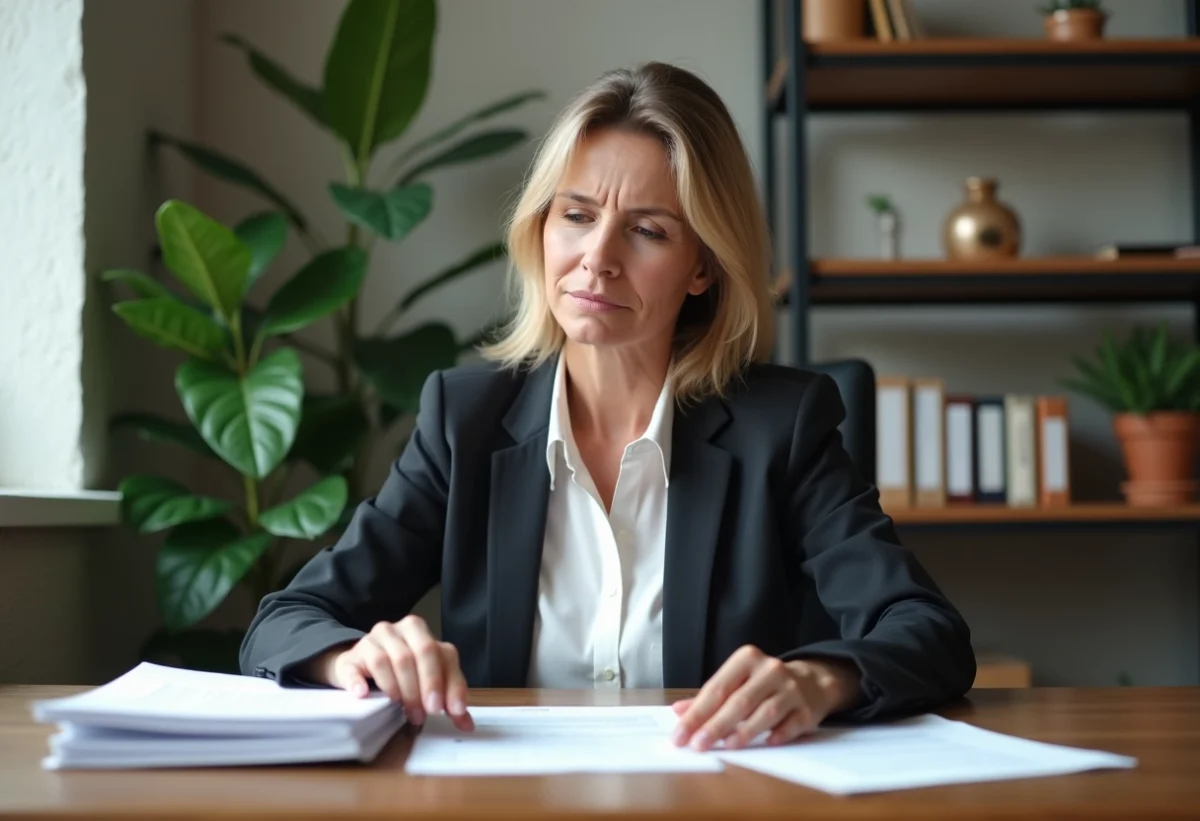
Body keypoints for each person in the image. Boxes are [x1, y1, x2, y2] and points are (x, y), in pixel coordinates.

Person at [240, 61, 975, 752]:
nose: (598, 256)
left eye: (648, 230)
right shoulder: (463, 423)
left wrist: (817, 679)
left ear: (703, 268)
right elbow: (283, 622)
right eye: (577, 214)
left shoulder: (780, 429)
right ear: (541, 227)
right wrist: (352, 657)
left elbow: (926, 630)